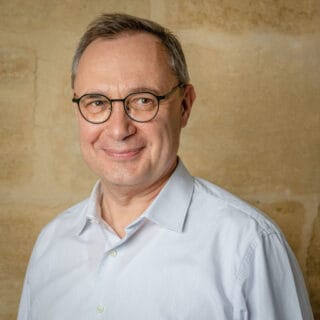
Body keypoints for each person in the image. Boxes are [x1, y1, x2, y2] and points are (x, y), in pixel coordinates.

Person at [18, 13, 314, 320]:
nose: (119, 129)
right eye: (97, 102)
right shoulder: (51, 246)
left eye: (143, 100)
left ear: (184, 106)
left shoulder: (249, 246)